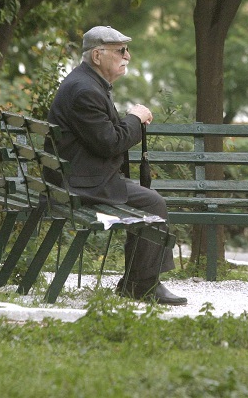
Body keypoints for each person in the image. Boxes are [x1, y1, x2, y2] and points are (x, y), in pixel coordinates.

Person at [47, 25, 187, 305]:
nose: (128, 56)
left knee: (148, 202)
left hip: (76, 177)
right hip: (81, 184)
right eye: (121, 50)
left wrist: (128, 120)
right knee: (152, 204)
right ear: (98, 56)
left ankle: (137, 283)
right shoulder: (85, 90)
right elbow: (109, 143)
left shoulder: (86, 83)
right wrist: (134, 118)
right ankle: (142, 285)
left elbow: (102, 136)